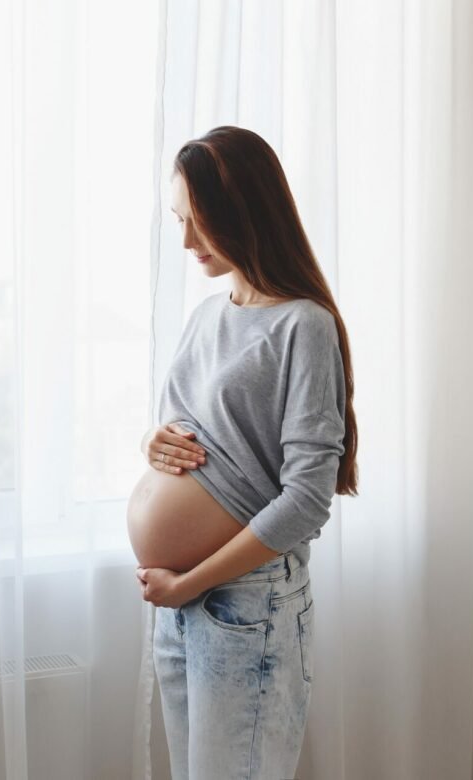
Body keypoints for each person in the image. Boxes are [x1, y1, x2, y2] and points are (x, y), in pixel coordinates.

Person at [136, 126, 360, 779]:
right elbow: (185, 432)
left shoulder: (304, 326)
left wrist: (190, 582)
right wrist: (150, 442)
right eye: (179, 220)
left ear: (243, 214)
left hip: (243, 601)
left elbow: (306, 501)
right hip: (183, 606)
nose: (186, 242)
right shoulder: (207, 316)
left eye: (199, 222)